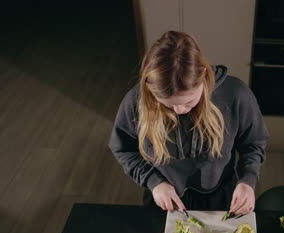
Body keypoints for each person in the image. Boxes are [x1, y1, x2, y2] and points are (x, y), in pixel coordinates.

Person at [108, 31, 268, 216]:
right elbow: (123, 149)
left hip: (223, 196)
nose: (179, 111)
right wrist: (154, 182)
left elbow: (253, 144)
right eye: (168, 104)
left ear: (203, 77)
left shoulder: (236, 95)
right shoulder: (136, 101)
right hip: (164, 198)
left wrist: (247, 180)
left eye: (189, 102)